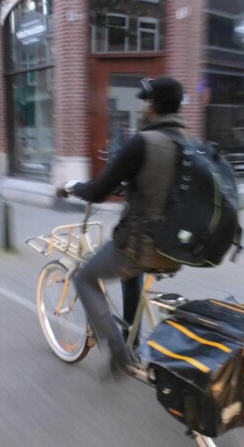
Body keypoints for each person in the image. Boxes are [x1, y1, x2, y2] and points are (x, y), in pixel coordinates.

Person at [57, 76, 187, 377]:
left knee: (84, 276)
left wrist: (71, 185)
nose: (142, 108)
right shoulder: (189, 143)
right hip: (178, 246)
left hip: (143, 246)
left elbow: (98, 191)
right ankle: (134, 344)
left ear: (153, 106)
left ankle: (119, 353)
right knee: (132, 276)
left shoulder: (143, 142)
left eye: (144, 102)